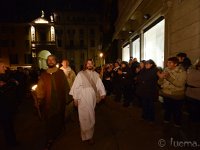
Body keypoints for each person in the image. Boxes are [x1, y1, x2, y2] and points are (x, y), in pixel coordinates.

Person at [35, 55, 70, 150]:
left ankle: (59, 132)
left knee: (59, 118)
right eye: (49, 60)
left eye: (52, 59)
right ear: (47, 62)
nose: (50, 61)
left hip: (60, 102)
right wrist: (38, 98)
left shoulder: (61, 73)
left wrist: (67, 99)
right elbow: (40, 88)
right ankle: (49, 139)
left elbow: (66, 86)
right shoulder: (43, 75)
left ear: (55, 61)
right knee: (49, 122)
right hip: (48, 103)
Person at [69, 59, 106, 144]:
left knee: (91, 117)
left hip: (92, 98)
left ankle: (90, 136)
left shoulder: (96, 74)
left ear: (93, 65)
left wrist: (102, 93)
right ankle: (85, 136)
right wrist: (75, 99)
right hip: (82, 98)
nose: (89, 65)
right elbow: (76, 87)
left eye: (91, 64)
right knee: (83, 118)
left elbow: (99, 85)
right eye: (88, 63)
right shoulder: (80, 74)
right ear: (85, 65)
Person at [158, 57, 186, 127]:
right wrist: (161, 78)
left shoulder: (182, 72)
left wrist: (168, 77)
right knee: (167, 108)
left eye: (170, 63)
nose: (167, 64)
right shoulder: (166, 70)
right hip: (166, 94)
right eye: (167, 62)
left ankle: (177, 123)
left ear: (175, 64)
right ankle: (166, 119)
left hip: (176, 95)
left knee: (177, 110)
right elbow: (160, 83)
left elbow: (180, 84)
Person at [0, 61, 19, 147]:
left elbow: (15, 83)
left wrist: (7, 84)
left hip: (8, 106)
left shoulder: (6, 77)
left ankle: (12, 141)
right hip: (3, 107)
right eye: (3, 66)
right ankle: (11, 143)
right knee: (7, 126)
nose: (5, 68)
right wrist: (8, 85)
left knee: (9, 125)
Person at [185, 58, 200, 122]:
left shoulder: (190, 70)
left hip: (190, 93)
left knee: (192, 110)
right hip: (196, 94)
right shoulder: (190, 70)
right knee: (195, 111)